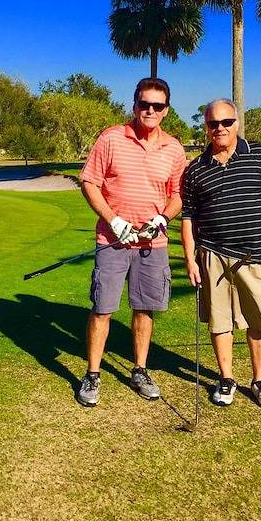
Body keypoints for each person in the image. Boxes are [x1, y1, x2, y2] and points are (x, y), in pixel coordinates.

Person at [75, 77, 187, 407]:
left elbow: (178, 195)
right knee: (102, 308)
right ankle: (93, 374)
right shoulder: (112, 138)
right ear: (134, 104)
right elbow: (89, 183)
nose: (149, 110)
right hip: (113, 240)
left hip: (153, 244)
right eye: (144, 104)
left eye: (157, 106)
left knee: (144, 308)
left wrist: (163, 219)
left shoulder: (174, 149)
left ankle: (140, 369)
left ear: (166, 110)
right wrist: (114, 220)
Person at [180, 98, 261, 409]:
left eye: (226, 122)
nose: (220, 128)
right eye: (213, 123)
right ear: (206, 127)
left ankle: (259, 380)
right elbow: (189, 218)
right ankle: (226, 378)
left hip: (255, 255)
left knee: (260, 321)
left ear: (236, 124)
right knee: (220, 321)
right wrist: (191, 258)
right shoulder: (195, 169)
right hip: (213, 255)